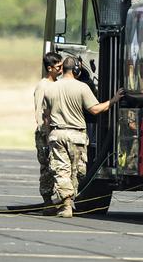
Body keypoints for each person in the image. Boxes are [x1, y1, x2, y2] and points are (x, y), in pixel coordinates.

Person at [43, 56, 123, 218]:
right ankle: (68, 203)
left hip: (56, 134)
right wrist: (113, 100)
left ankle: (65, 203)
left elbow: (46, 116)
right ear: (77, 70)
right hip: (76, 135)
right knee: (76, 172)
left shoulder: (50, 88)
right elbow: (95, 110)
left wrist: (47, 135)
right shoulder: (82, 87)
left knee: (61, 170)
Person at [33, 52, 63, 207]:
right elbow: (39, 111)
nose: (61, 68)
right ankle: (47, 201)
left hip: (57, 130)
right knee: (47, 168)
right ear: (50, 68)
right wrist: (44, 132)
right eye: (58, 66)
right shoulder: (43, 86)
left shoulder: (58, 83)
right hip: (45, 132)